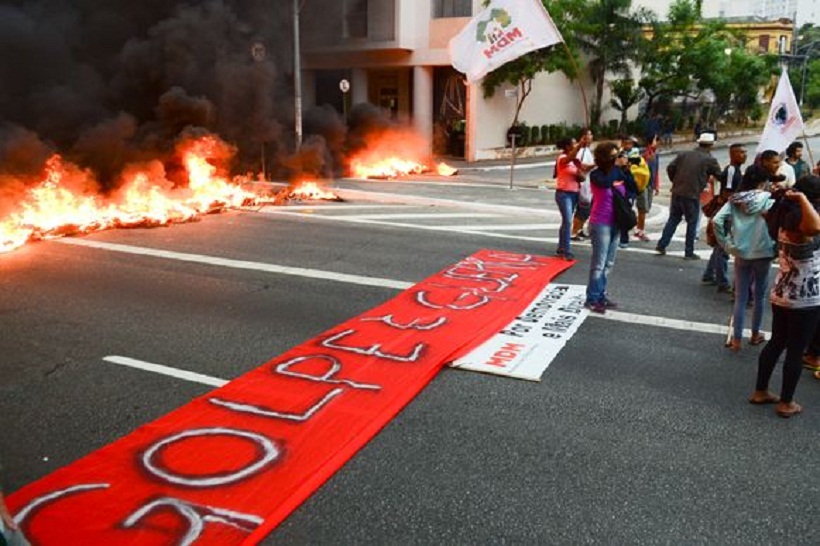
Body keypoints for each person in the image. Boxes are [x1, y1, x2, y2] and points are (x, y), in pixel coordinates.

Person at [749, 176, 820, 418]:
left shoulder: (784, 217)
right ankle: (786, 402)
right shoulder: (804, 222)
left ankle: (761, 391)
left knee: (777, 341)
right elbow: (815, 228)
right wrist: (801, 197)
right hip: (805, 298)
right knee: (795, 349)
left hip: (782, 293)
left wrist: (795, 198)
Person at [713, 168, 776, 352]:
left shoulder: (736, 199)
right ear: (763, 181)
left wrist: (726, 244)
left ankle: (737, 340)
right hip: (763, 251)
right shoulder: (769, 199)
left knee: (740, 297)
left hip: (741, 251)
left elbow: (717, 220)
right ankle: (755, 334)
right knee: (759, 296)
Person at [585, 142, 637, 314]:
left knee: (609, 263)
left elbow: (634, 187)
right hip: (600, 223)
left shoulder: (619, 172)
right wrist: (618, 167)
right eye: (613, 156)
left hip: (616, 223)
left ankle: (601, 294)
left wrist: (626, 169)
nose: (617, 159)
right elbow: (607, 182)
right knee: (598, 264)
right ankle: (592, 298)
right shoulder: (596, 175)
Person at [655, 132, 722, 259]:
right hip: (692, 194)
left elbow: (670, 167)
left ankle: (662, 245)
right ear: (711, 145)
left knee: (673, 219)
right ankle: (688, 251)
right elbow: (720, 175)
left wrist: (675, 181)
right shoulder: (710, 160)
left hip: (677, 191)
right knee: (692, 222)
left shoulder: (684, 154)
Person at [702, 143, 747, 292]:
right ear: (732, 155)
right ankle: (722, 282)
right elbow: (727, 193)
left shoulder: (736, 170)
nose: (744, 155)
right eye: (740, 152)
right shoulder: (732, 171)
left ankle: (709, 274)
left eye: (745, 152)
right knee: (723, 248)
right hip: (728, 213)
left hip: (728, 212)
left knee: (719, 246)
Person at [553, 135, 590, 260]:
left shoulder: (575, 161)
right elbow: (569, 158)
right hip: (564, 194)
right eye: (573, 144)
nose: (575, 146)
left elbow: (584, 169)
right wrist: (580, 144)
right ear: (568, 146)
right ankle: (566, 250)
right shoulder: (563, 158)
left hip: (574, 193)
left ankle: (561, 247)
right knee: (568, 220)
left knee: (566, 221)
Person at [634, 134, 660, 242]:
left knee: (646, 207)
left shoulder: (656, 154)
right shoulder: (643, 153)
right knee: (643, 208)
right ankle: (640, 230)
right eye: (656, 140)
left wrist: (656, 185)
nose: (658, 143)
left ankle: (638, 227)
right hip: (642, 184)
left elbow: (656, 170)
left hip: (650, 184)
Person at [571, 128, 596, 241]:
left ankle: (580, 230)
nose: (590, 137)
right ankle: (574, 232)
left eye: (590, 135)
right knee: (583, 208)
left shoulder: (586, 150)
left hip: (588, 184)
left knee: (586, 209)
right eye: (588, 135)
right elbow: (582, 166)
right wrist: (595, 164)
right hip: (582, 185)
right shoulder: (580, 151)